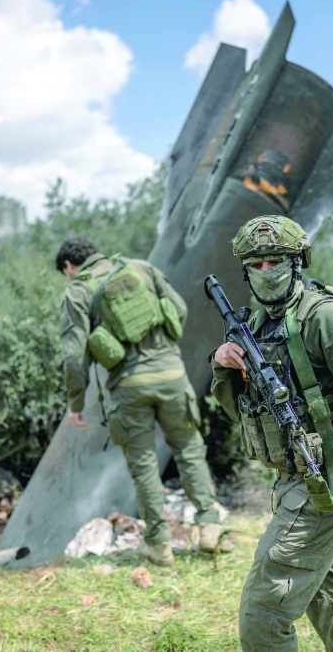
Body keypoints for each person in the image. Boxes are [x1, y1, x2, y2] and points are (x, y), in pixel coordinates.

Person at [210, 217, 333, 651]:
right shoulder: (256, 325)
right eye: (255, 263)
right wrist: (222, 363)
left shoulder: (328, 319)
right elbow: (240, 411)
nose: (266, 271)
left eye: (275, 259)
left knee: (264, 608)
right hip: (292, 481)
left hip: (326, 483)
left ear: (297, 262)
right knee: (331, 605)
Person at [56, 237, 222, 566]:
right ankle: (209, 528)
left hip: (128, 387)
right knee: (189, 448)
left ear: (69, 267)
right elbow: (179, 309)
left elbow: (74, 358)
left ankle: (159, 545)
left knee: (144, 464)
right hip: (172, 376)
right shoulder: (141, 268)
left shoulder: (77, 292)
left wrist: (76, 405)